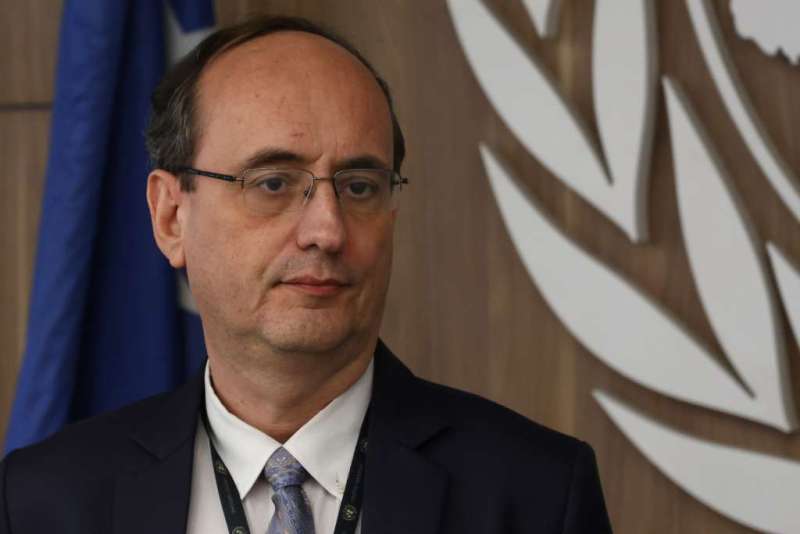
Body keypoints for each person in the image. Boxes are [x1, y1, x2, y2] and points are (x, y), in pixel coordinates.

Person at [0, 15, 612, 534]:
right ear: (171, 216)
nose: (328, 229)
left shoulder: (536, 494)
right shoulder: (42, 502)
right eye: (273, 182)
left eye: (359, 186)